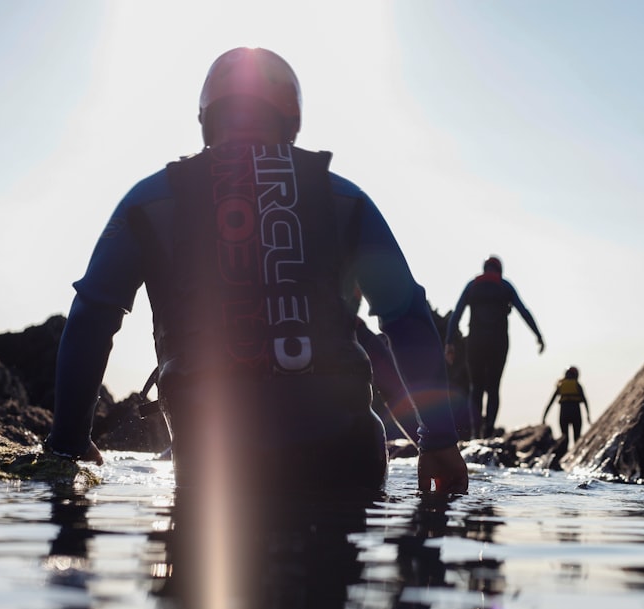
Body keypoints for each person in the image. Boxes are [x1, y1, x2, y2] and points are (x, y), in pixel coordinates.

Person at [43, 46, 468, 496]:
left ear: (207, 117)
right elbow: (405, 316)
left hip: (215, 463)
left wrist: (69, 443)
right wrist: (437, 441)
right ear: (290, 118)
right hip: (347, 460)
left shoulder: (150, 201)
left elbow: (93, 316)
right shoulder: (346, 199)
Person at [445, 255, 544, 439]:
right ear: (499, 270)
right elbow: (524, 311)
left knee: (476, 388)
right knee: (493, 388)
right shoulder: (505, 286)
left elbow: (456, 314)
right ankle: (489, 432)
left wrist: (449, 342)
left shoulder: (472, 286)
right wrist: (538, 335)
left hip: (475, 343)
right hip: (498, 343)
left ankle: (476, 434)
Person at [541, 366, 591, 447]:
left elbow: (551, 402)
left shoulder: (561, 385)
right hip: (575, 412)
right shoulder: (577, 385)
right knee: (577, 438)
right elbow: (585, 400)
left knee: (565, 438)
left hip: (564, 413)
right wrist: (588, 415)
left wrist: (544, 417)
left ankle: (564, 455)